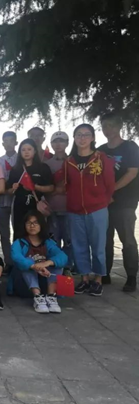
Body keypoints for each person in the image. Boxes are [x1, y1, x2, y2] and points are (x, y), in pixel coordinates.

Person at [60, 124, 115, 297]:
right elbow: (65, 183)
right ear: (74, 138)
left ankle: (98, 279)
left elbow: (110, 184)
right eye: (79, 134)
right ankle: (84, 278)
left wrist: (102, 201)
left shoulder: (101, 158)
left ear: (92, 138)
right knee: (79, 246)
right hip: (74, 211)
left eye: (86, 134)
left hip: (97, 209)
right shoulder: (69, 161)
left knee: (98, 246)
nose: (82, 138)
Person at [98, 112, 139, 291]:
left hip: (125, 202)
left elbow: (132, 172)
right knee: (104, 240)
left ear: (119, 126)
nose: (108, 129)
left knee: (127, 239)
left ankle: (131, 276)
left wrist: (112, 190)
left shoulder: (130, 147)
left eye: (111, 125)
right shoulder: (100, 150)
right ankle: (104, 273)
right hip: (104, 203)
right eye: (104, 126)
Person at [11, 211, 68, 314]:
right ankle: (37, 297)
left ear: (41, 225)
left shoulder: (48, 242)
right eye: (29, 223)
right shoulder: (19, 243)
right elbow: (17, 258)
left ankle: (51, 296)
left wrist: (46, 263)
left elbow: (63, 257)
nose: (32, 226)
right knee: (27, 262)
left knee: (56, 262)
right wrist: (34, 266)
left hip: (44, 280)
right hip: (25, 283)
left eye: (36, 223)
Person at [7, 138, 53, 237]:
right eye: (23, 150)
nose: (26, 152)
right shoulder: (15, 169)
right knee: (19, 232)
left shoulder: (43, 167)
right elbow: (8, 191)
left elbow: (50, 188)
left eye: (29, 149)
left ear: (35, 151)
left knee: (38, 233)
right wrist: (13, 188)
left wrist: (35, 187)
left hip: (36, 206)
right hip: (19, 206)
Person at [44, 132, 72, 271]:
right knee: (53, 241)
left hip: (70, 208)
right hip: (52, 209)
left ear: (67, 143)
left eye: (61, 141)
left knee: (69, 241)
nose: (58, 144)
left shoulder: (73, 161)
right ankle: (55, 268)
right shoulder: (46, 164)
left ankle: (68, 268)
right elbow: (44, 186)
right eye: (55, 141)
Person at [0, 131, 18, 272]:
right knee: (4, 233)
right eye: (6, 141)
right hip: (2, 201)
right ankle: (8, 261)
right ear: (3, 143)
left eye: (11, 140)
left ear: (16, 142)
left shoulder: (21, 158)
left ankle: (18, 260)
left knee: (18, 232)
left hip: (18, 201)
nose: (9, 143)